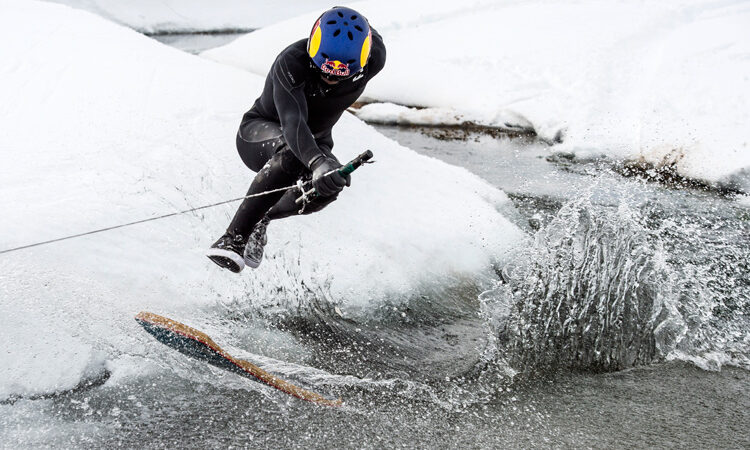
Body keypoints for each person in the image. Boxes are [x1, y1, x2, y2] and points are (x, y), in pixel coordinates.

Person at [207, 6, 386, 273]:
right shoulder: (291, 62)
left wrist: (324, 166)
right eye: (324, 71)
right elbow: (293, 124)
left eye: (340, 75)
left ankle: (262, 218)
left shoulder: (375, 57)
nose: (331, 78)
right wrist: (317, 161)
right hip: (260, 132)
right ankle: (233, 239)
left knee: (328, 187)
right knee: (294, 153)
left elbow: (368, 32)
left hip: (317, 140)